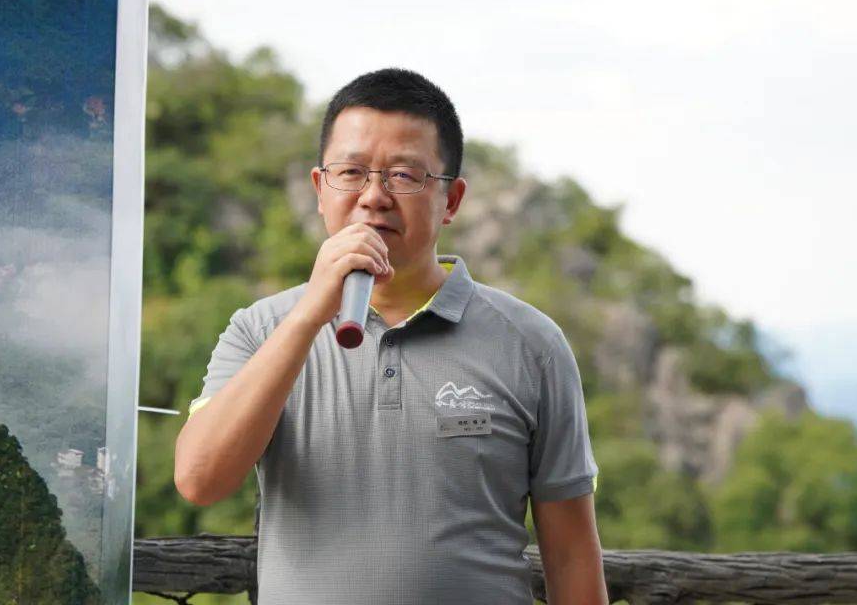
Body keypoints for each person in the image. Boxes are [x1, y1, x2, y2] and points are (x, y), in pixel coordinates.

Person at [174, 68, 608, 604]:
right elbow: (200, 480)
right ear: (319, 188)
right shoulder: (260, 328)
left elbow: (570, 555)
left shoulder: (532, 343)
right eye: (351, 172)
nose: (374, 197)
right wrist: (311, 313)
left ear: (451, 200)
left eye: (405, 176)